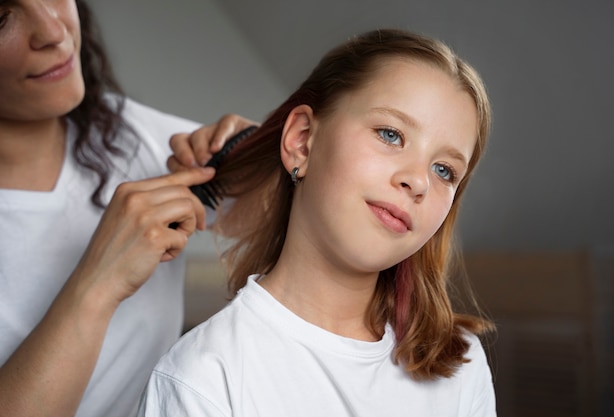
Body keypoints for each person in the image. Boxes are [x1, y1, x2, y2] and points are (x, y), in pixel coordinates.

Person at [138, 28, 496, 417]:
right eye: (391, 135)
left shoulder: (461, 363)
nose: (419, 181)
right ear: (303, 140)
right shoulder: (204, 379)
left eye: (444, 170)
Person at [0, 1, 254, 416]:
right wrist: (98, 282)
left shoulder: (133, 134)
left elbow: (303, 223)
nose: (53, 29)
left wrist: (268, 165)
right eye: (1, 17)